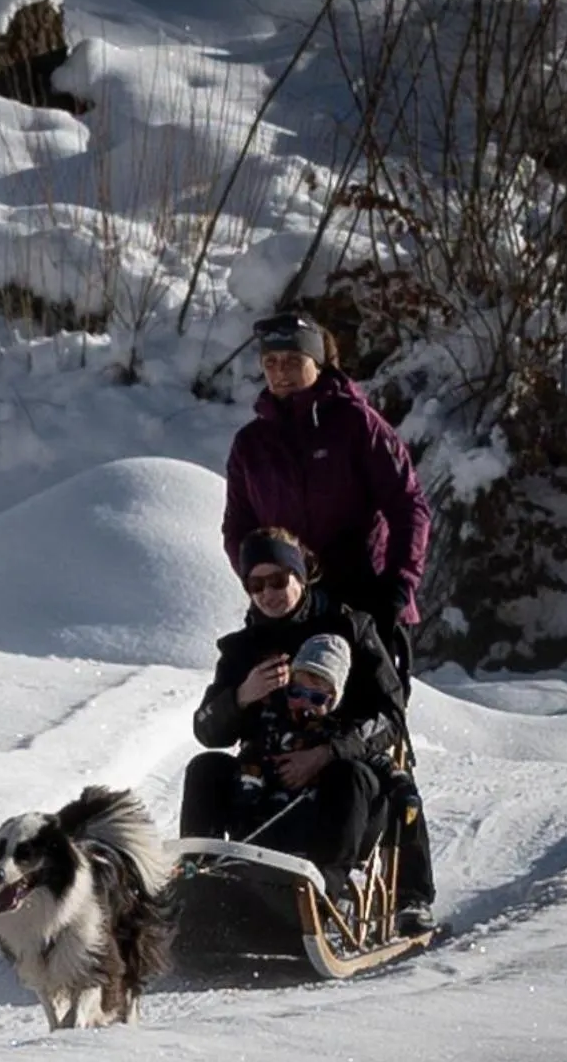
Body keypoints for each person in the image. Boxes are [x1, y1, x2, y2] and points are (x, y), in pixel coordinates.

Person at [180, 527, 435, 933]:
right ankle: (200, 887)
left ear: (301, 575)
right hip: (264, 782)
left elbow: (390, 717)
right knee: (205, 768)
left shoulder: (351, 628)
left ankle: (324, 896)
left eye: (279, 580)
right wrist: (242, 696)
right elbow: (207, 730)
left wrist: (328, 752)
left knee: (348, 777)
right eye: (256, 584)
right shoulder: (243, 649)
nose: (268, 593)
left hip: (341, 784)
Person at [224, 313, 432, 679]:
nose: (280, 372)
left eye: (292, 361)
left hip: (366, 601)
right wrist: (262, 583)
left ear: (317, 364)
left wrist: (398, 588)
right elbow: (238, 528)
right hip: (287, 604)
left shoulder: (357, 424)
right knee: (277, 719)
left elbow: (408, 505)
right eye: (270, 363)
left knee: (368, 722)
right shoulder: (250, 444)